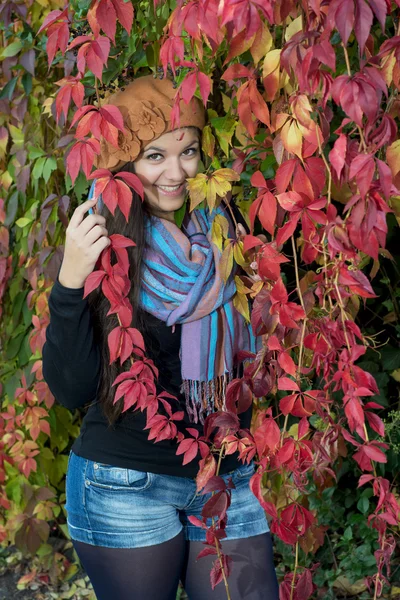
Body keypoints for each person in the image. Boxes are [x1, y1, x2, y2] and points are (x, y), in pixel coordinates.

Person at [42, 74, 279, 600]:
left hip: (227, 476)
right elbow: (71, 389)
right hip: (123, 484)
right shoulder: (99, 244)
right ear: (124, 166)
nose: (175, 173)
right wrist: (71, 279)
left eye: (188, 152)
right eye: (155, 156)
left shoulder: (227, 229)